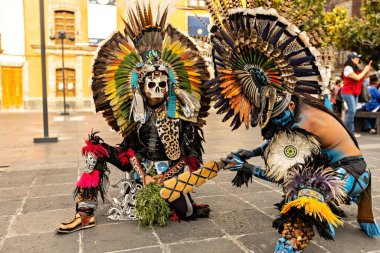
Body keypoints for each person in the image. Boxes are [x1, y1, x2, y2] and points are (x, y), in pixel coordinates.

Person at [203, 1, 380, 253]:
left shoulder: (303, 122)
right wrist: (251, 152)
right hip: (331, 164)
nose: (273, 126)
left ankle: (290, 245)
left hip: (351, 171)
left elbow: (285, 174)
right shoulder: (296, 108)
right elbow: (280, 143)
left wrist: (249, 167)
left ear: (282, 109)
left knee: (305, 193)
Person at [56, 2, 216, 233]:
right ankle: (84, 214)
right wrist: (142, 174)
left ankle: (173, 198)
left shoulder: (181, 117)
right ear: (141, 87)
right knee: (94, 152)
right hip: (139, 167)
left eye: (163, 83)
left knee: (187, 213)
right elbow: (128, 150)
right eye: (152, 84)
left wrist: (160, 178)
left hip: (166, 173)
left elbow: (189, 158)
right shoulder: (136, 114)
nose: (158, 88)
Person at [341, 52, 372, 137]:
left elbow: (362, 77)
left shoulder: (356, 68)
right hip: (347, 92)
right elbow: (357, 77)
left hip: (355, 93)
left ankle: (351, 132)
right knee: (352, 111)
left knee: (352, 112)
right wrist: (365, 70)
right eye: (356, 58)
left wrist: (367, 70)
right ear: (351, 59)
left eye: (358, 58)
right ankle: (344, 131)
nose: (358, 59)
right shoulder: (348, 68)